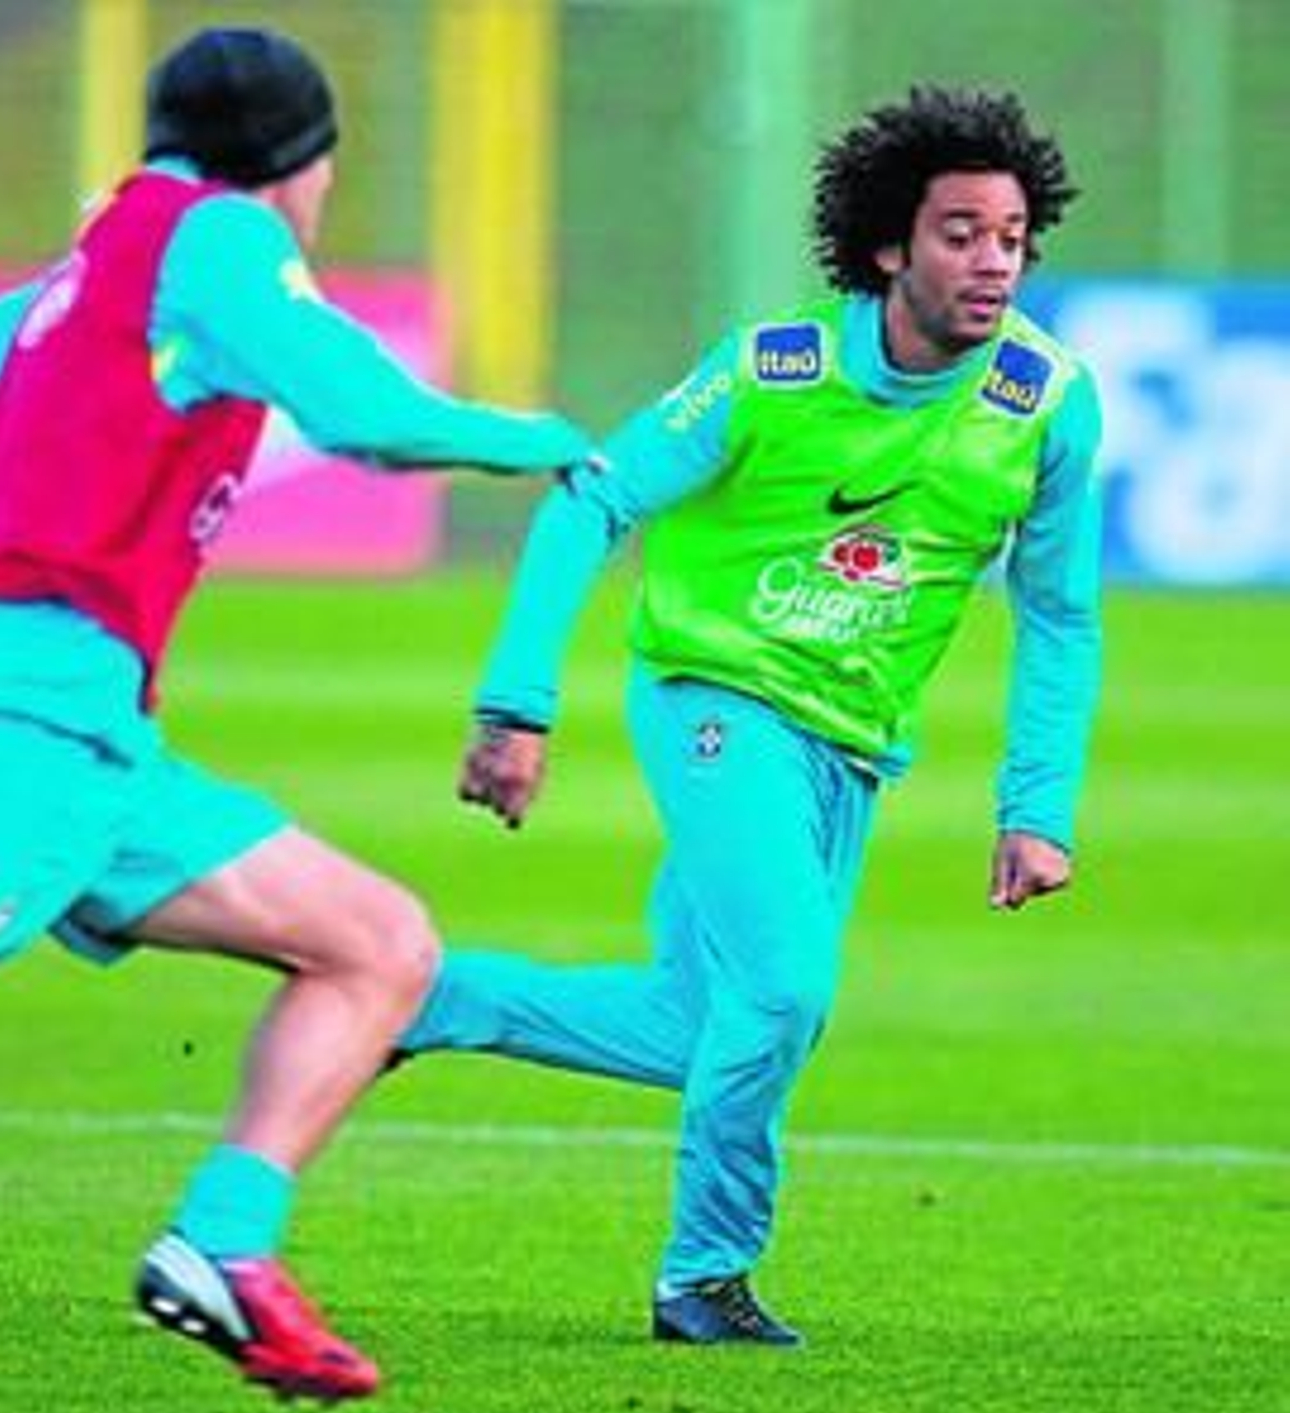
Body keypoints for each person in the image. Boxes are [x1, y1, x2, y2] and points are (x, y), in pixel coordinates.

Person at [0, 26, 592, 1405]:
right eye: (323, 166)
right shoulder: (224, 239)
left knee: (375, 944)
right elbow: (364, 417)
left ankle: (221, 1246)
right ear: (297, 162)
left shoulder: (112, 257)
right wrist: (546, 443)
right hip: (21, 705)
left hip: (87, 729)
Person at [397, 86, 1102, 1348]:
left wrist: (1036, 808)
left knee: (704, 1027)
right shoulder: (773, 371)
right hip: (716, 699)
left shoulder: (1045, 402)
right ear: (887, 245)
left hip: (853, 744)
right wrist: (517, 702)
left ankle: (423, 999)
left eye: (1011, 237)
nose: (994, 262)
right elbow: (590, 500)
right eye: (959, 234)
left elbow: (1059, 616)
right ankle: (704, 1279)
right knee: (782, 995)